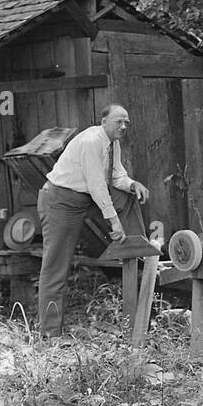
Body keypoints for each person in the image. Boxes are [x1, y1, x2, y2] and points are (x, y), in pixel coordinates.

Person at [36, 105, 149, 337]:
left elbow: (117, 175)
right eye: (119, 122)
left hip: (85, 197)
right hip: (61, 201)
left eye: (126, 122)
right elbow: (97, 185)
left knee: (128, 196)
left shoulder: (112, 143)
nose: (124, 126)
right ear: (104, 121)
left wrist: (132, 184)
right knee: (56, 267)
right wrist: (114, 223)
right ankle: (49, 336)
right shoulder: (90, 141)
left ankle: (137, 249)